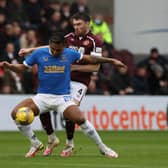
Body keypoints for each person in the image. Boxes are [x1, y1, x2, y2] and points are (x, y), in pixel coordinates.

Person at [0, 32, 126, 158]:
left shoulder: (69, 53)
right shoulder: (39, 53)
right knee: (15, 113)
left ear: (64, 46)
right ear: (49, 45)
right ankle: (35, 143)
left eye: (58, 50)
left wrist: (112, 61)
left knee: (81, 119)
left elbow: (91, 59)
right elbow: (23, 67)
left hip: (62, 99)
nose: (55, 52)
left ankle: (103, 148)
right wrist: (10, 66)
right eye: (53, 49)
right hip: (42, 97)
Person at [19, 12, 103, 157]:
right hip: (62, 78)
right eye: (74, 24)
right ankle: (51, 138)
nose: (76, 27)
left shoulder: (95, 41)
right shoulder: (68, 38)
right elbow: (50, 46)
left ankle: (69, 143)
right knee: (43, 106)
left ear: (88, 23)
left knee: (70, 111)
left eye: (79, 24)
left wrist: (74, 67)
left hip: (80, 81)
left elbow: (95, 67)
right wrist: (31, 50)